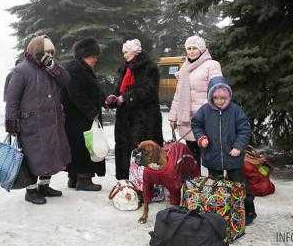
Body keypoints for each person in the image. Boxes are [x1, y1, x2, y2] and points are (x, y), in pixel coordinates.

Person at [5, 35, 72, 204]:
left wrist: (53, 66)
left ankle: (44, 185)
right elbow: (12, 99)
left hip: (52, 121)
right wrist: (12, 122)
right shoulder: (22, 70)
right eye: (46, 51)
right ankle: (31, 190)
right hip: (31, 124)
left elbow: (66, 80)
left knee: (49, 155)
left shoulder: (51, 67)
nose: (50, 55)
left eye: (52, 52)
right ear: (37, 51)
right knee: (33, 157)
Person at [191, 76, 257, 225]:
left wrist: (238, 146)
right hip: (212, 156)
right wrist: (201, 138)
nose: (220, 101)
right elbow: (196, 124)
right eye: (216, 98)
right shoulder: (205, 110)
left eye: (223, 98)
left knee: (240, 185)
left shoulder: (235, 110)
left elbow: (244, 129)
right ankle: (219, 212)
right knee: (216, 187)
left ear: (228, 96)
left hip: (233, 157)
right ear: (211, 97)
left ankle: (248, 211)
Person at [105, 39, 163, 180]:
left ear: (134, 52)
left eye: (126, 52)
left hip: (144, 118)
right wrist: (113, 99)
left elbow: (148, 91)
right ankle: (125, 180)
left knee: (142, 149)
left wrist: (126, 97)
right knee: (124, 147)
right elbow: (120, 89)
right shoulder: (125, 68)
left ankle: (144, 181)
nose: (124, 55)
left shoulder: (150, 67)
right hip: (125, 118)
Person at [168, 35, 222, 167]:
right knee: (192, 156)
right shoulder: (184, 68)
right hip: (187, 119)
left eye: (194, 48)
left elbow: (217, 91)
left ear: (202, 49)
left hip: (204, 118)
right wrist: (173, 117)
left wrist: (202, 112)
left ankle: (213, 182)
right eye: (189, 48)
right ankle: (195, 183)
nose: (191, 51)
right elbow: (178, 95)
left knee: (209, 154)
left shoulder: (212, 65)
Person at [61, 37, 106, 191]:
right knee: (84, 147)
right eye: (94, 55)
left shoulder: (81, 68)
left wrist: (105, 99)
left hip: (79, 118)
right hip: (79, 118)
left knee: (78, 147)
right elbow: (76, 94)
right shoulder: (75, 69)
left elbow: (93, 90)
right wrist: (92, 112)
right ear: (85, 54)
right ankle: (84, 179)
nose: (96, 59)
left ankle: (74, 178)